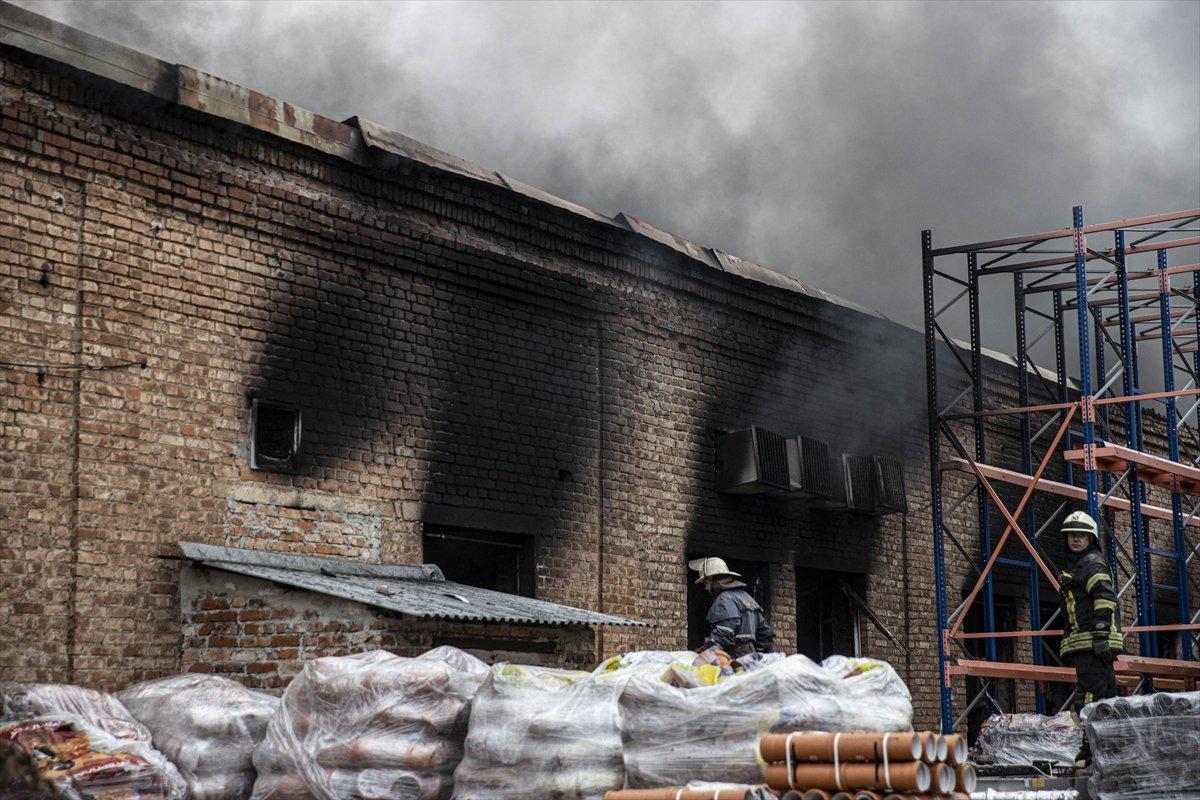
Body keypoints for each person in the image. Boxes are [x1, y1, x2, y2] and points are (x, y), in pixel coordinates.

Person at [1057, 510, 1123, 767]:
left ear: (1090, 539)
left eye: (1081, 536)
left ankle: (1089, 752)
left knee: (1088, 697)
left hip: (1092, 642)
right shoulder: (1081, 565)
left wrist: (1098, 632)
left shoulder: (1091, 563)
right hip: (1093, 642)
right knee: (1104, 695)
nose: (1076, 539)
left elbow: (1104, 597)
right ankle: (1104, 751)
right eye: (1072, 536)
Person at [688, 556, 775, 656]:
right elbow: (765, 633)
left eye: (706, 583)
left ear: (711, 581)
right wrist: (758, 655)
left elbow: (725, 632)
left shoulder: (724, 598)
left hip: (734, 659)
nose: (706, 588)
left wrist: (704, 651)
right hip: (750, 658)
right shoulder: (746, 597)